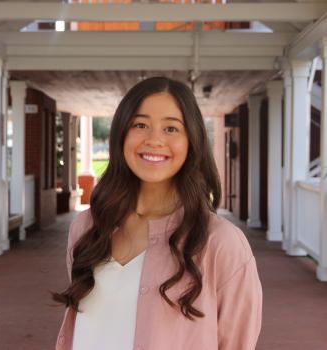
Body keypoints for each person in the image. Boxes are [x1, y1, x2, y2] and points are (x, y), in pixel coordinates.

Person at [53, 76, 262, 350]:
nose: (154, 140)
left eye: (171, 129)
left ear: (191, 141)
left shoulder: (221, 243)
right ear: (121, 135)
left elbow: (237, 343)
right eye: (140, 125)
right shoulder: (87, 226)